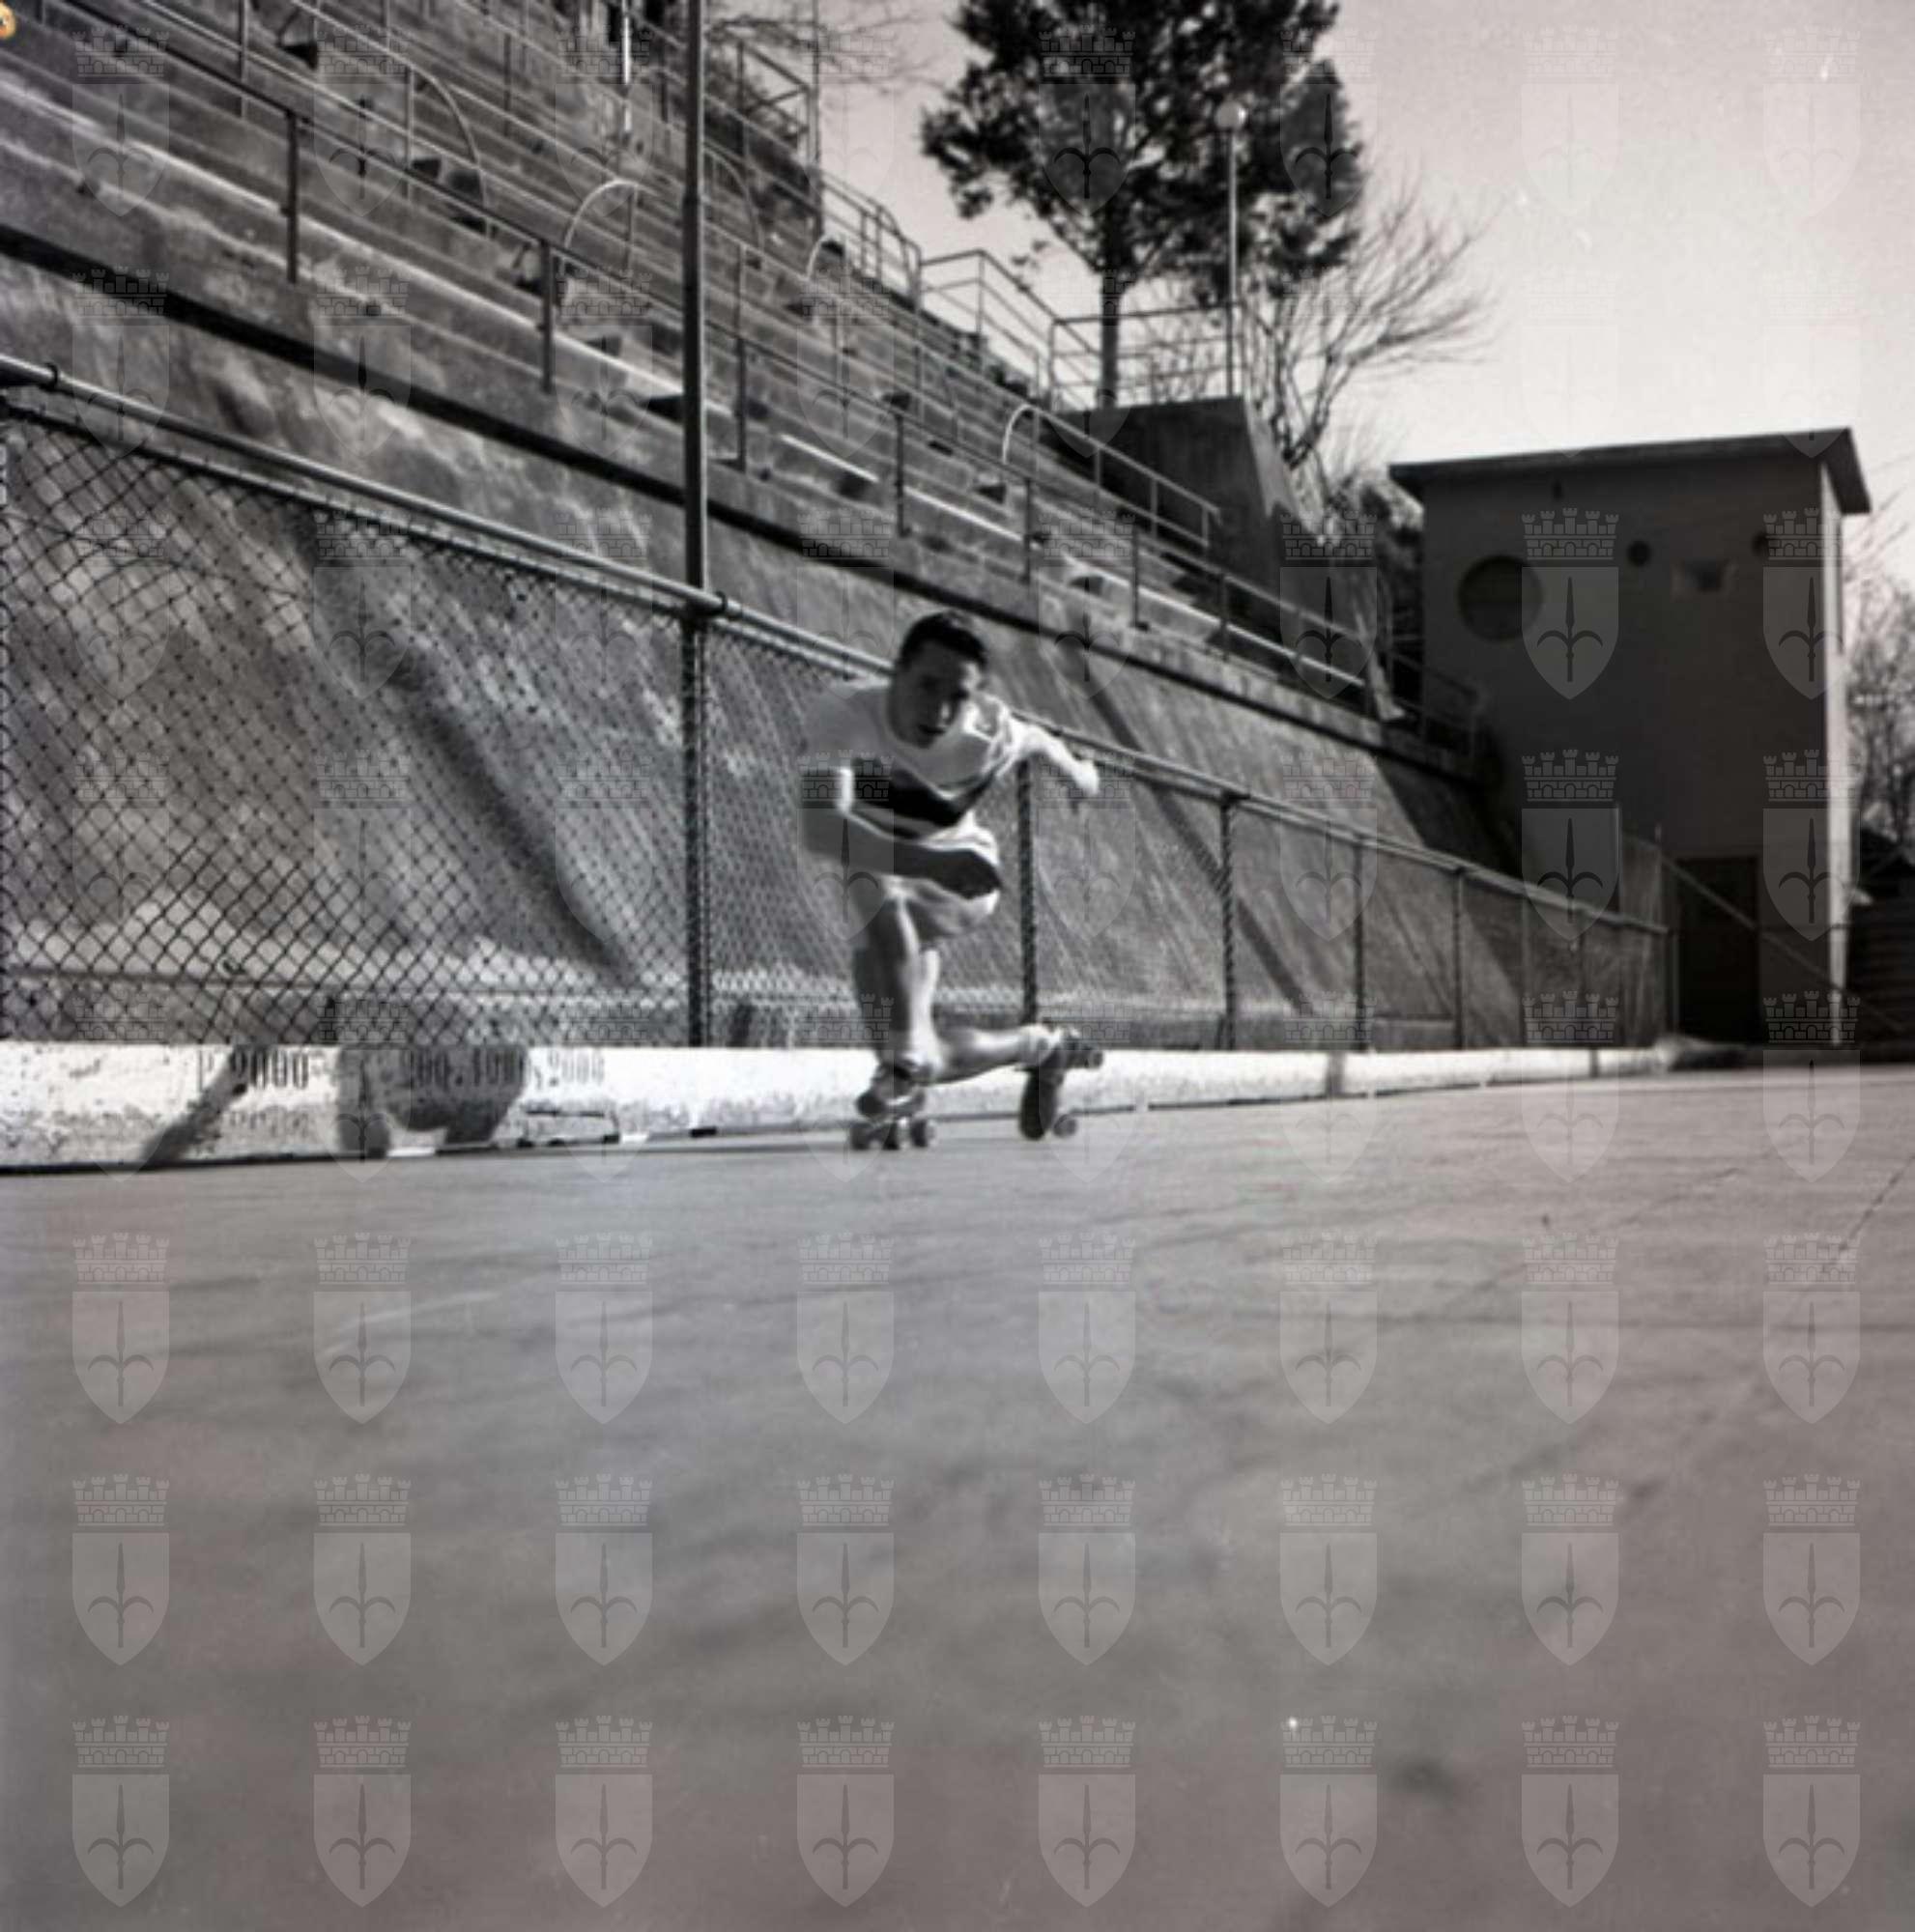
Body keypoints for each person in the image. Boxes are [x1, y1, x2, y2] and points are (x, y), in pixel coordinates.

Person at [796, 609, 1104, 1135]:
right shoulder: (842, 712)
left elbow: (1039, 741)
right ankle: (1041, 1046)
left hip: (962, 875)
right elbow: (821, 827)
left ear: (974, 698)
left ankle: (900, 1068)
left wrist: (1081, 776)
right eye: (927, 685)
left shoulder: (988, 733)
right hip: (905, 870)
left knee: (871, 883)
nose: (939, 711)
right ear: (897, 672)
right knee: (926, 1057)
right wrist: (925, 862)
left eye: (958, 696)